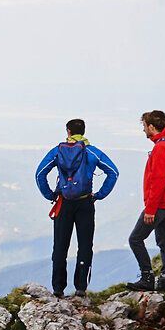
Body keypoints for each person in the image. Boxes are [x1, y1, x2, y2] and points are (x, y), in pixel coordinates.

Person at [35, 117, 118, 297]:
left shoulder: (58, 152)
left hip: (63, 203)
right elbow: (113, 172)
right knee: (85, 245)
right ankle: (80, 288)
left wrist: (50, 195)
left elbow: (40, 174)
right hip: (85, 203)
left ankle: (58, 289)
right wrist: (100, 195)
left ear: (68, 132)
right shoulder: (92, 152)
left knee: (60, 247)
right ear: (84, 131)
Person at [130, 109, 165, 292]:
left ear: (151, 127)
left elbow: (158, 181)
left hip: (159, 204)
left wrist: (150, 209)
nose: (143, 130)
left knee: (135, 239)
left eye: (144, 126)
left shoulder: (161, 148)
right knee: (164, 240)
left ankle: (147, 278)